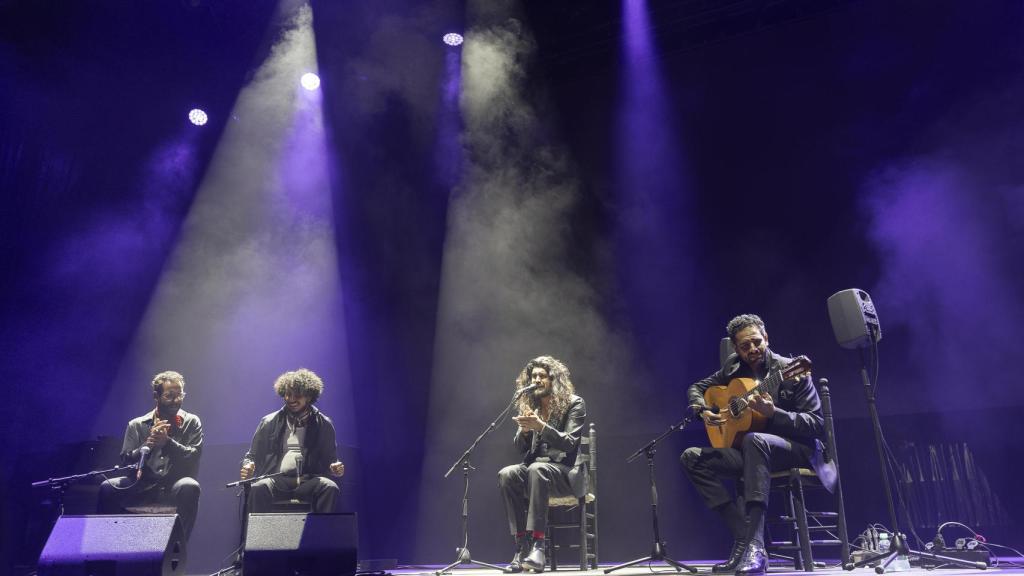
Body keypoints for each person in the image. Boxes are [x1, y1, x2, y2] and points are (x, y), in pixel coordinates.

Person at [681, 314, 835, 575]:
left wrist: (774, 413)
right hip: (753, 454)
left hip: (798, 450)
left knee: (754, 439)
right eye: (744, 346)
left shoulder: (790, 369)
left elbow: (816, 425)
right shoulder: (732, 369)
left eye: (756, 342)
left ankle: (755, 548)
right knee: (691, 456)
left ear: (766, 338)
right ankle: (743, 536)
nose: (752, 350)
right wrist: (703, 410)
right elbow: (697, 387)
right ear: (736, 349)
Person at [498, 356, 587, 573]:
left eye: (542, 376)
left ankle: (538, 546)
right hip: (536, 472)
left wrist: (541, 427)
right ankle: (521, 548)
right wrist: (526, 431)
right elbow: (520, 447)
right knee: (507, 474)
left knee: (538, 470)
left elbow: (569, 443)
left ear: (553, 379)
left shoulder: (575, 403)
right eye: (534, 376)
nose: (537, 380)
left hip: (565, 474)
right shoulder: (532, 406)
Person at [98, 370, 203, 540]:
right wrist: (148, 443)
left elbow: (193, 455)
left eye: (179, 395)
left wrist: (168, 443)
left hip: (173, 485)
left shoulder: (192, 422)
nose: (176, 400)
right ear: (156, 395)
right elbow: (126, 460)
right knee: (108, 487)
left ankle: (177, 549)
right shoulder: (137, 424)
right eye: (170, 396)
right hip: (141, 485)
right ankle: (104, 548)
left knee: (190, 486)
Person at [240, 368, 345, 513]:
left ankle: (321, 533)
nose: (291, 399)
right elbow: (251, 456)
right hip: (277, 482)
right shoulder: (269, 421)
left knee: (330, 488)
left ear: (309, 396)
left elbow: (331, 460)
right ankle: (260, 535)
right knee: (258, 488)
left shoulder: (324, 424)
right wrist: (248, 466)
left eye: (297, 395)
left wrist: (335, 468)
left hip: (308, 482)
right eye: (287, 394)